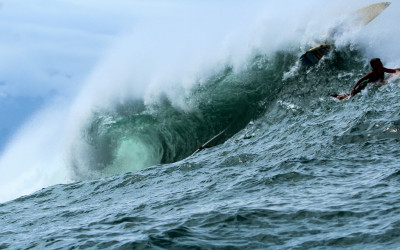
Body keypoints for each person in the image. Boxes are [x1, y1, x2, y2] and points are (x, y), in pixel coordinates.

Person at [330, 58, 400, 100]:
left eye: (380, 62)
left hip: (375, 83)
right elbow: (361, 80)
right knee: (349, 97)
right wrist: (354, 88)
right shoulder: (372, 73)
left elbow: (392, 71)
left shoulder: (382, 69)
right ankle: (337, 97)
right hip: (364, 85)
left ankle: (338, 95)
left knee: (349, 95)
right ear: (375, 66)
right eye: (379, 63)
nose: (381, 63)